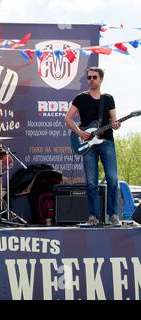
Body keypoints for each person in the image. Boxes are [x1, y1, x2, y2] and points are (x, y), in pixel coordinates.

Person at [65, 66, 121, 226]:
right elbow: (68, 118)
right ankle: (93, 216)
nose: (91, 80)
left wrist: (115, 125)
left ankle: (113, 215)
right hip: (88, 144)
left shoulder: (108, 98)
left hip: (107, 142)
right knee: (91, 182)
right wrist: (79, 132)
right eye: (89, 77)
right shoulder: (80, 98)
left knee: (112, 179)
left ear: (101, 79)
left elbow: (113, 120)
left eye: (94, 77)